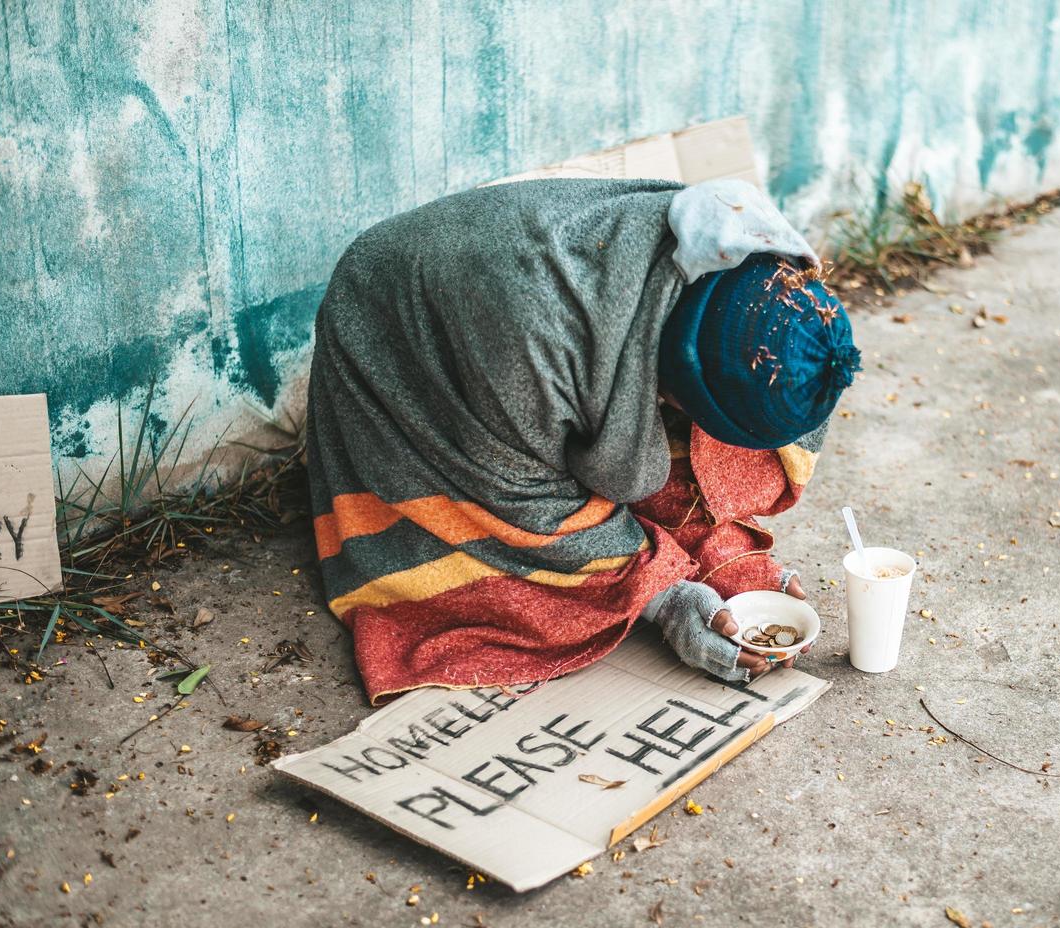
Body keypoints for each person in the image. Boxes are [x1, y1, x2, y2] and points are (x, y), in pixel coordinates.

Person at [305, 176, 859, 704]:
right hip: (396, 331)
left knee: (726, 460)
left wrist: (720, 555)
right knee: (513, 587)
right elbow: (527, 500)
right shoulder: (533, 350)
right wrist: (663, 595)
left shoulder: (762, 263)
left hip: (518, 315)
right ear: (671, 379)